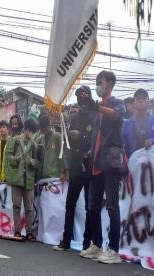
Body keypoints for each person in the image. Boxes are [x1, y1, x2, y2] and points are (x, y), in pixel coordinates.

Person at [80, 71, 125, 264]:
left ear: (110, 84)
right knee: (92, 207)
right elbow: (96, 137)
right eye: (96, 82)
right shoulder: (96, 110)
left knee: (113, 206)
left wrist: (96, 106)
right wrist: (89, 153)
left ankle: (114, 250)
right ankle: (96, 245)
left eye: (101, 82)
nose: (98, 85)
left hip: (111, 163)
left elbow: (118, 115)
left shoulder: (116, 102)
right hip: (96, 163)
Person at [53, 86, 95, 251]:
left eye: (83, 97)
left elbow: (94, 138)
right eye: (78, 97)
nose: (80, 100)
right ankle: (66, 241)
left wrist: (82, 136)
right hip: (76, 165)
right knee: (70, 204)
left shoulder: (94, 116)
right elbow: (69, 143)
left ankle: (87, 244)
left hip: (90, 165)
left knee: (89, 207)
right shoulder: (75, 119)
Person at [6, 119, 38, 241]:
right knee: (16, 206)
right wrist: (16, 158)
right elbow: (8, 157)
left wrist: (33, 162)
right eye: (31, 131)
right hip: (16, 178)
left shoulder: (34, 145)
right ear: (26, 129)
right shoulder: (14, 141)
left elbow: (37, 161)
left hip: (28, 179)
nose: (31, 134)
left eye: (33, 132)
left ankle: (29, 232)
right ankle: (17, 231)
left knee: (29, 207)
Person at [35, 112, 68, 182]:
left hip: (55, 176)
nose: (44, 130)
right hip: (42, 177)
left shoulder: (57, 136)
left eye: (45, 127)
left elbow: (62, 155)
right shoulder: (40, 139)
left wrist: (63, 172)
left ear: (49, 125)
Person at [122, 89, 154, 158]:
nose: (141, 100)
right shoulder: (127, 124)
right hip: (134, 163)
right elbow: (124, 147)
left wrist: (152, 140)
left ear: (148, 102)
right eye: (138, 99)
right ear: (134, 103)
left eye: (144, 98)